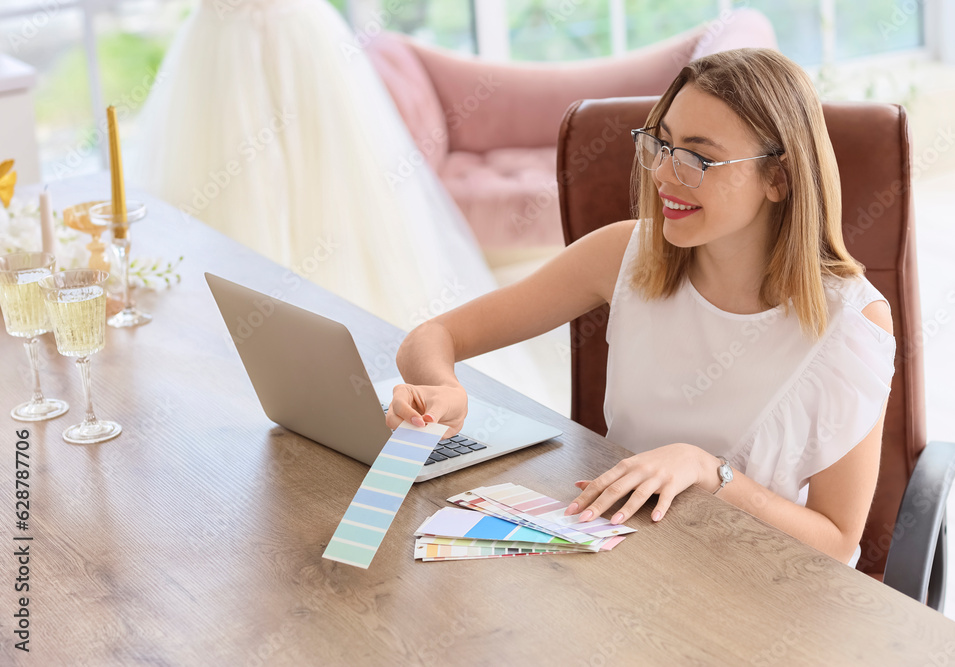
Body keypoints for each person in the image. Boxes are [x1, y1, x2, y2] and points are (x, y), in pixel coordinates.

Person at [385, 48, 896, 567]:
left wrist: (707, 471)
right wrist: (443, 389)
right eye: (662, 144)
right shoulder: (627, 254)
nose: (664, 175)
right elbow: (431, 338)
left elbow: (837, 542)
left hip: (753, 583)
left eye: (697, 157)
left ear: (778, 179)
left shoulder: (851, 323)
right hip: (619, 562)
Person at [127, 0, 553, 406]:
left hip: (301, 42)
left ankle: (332, 366)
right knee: (222, 196)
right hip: (220, 49)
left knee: (333, 200)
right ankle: (248, 350)